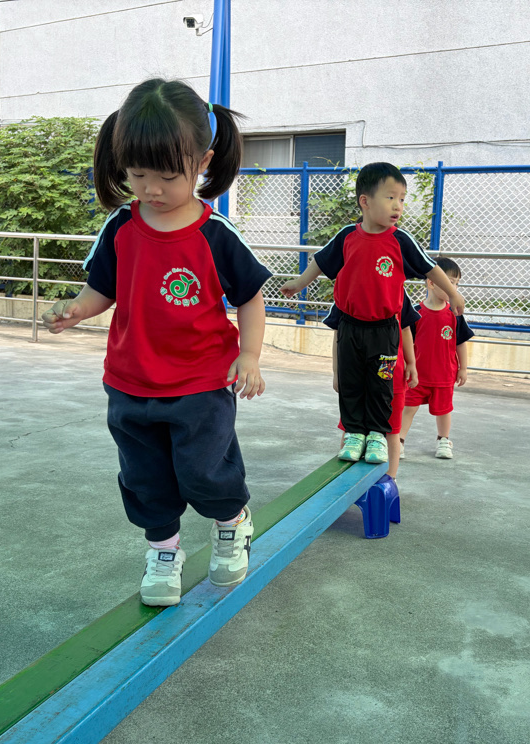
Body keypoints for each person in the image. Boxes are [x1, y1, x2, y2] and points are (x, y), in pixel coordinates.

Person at [41, 79, 271, 608]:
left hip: (201, 382)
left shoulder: (216, 235)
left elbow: (251, 297)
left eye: (167, 176)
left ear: (203, 163)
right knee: (145, 478)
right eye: (138, 174)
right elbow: (102, 289)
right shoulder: (121, 227)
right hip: (130, 382)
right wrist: (75, 310)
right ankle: (164, 551)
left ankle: (232, 521)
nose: (151, 189)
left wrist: (250, 355)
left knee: (203, 471)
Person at [280, 162, 465, 465]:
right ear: (365, 201)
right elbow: (321, 262)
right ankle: (354, 433)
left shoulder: (401, 241)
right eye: (390, 197)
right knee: (350, 383)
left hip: (384, 330)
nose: (398, 206)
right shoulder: (347, 237)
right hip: (350, 327)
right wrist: (299, 283)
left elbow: (430, 268)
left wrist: (454, 293)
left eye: (402, 199)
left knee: (381, 385)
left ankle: (377, 435)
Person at [324, 292, 419, 480]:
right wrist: (337, 372)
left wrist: (411, 363)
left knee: (390, 431)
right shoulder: (347, 291)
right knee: (352, 429)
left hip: (390, 375)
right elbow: (338, 334)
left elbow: (405, 328)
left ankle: (389, 480)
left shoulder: (396, 291)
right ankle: (346, 481)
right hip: (356, 377)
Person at [400, 257, 474, 460]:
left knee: (444, 410)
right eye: (450, 282)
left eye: (457, 284)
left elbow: (460, 342)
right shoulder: (415, 314)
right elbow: (406, 342)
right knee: (408, 408)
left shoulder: (455, 314)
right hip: (417, 376)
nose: (454, 288)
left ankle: (443, 440)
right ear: (431, 282)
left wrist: (463, 368)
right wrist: (406, 365)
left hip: (445, 376)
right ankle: (399, 441)